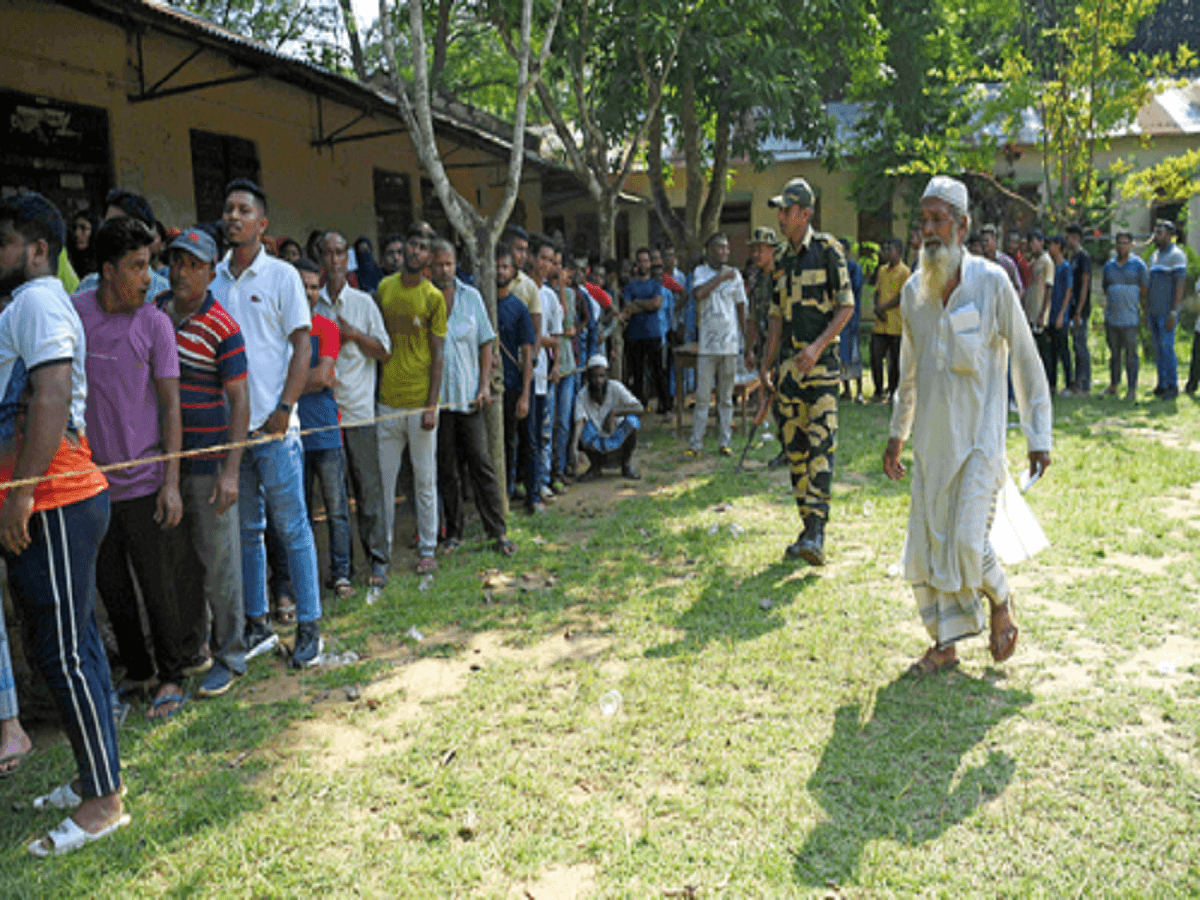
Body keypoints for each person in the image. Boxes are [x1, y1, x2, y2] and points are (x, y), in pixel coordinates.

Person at [883, 175, 1052, 675]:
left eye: (939, 220)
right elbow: (907, 374)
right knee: (927, 547)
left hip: (980, 441)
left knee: (965, 543)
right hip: (932, 445)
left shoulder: (992, 283)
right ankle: (946, 645)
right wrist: (897, 434)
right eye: (923, 221)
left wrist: (1038, 436)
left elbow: (1025, 360)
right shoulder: (914, 292)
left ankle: (1000, 599)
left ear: (962, 225)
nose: (929, 231)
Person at [0, 193, 125, 855]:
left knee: (62, 652)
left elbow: (50, 391)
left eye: (4, 242)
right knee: (76, 646)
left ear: (37, 248)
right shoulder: (29, 305)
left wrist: (20, 496)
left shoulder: (39, 300)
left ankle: (103, 801)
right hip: (49, 498)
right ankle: (94, 774)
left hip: (52, 500)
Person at [74, 217, 187, 720]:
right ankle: (138, 672)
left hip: (145, 483)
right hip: (90, 487)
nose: (149, 277)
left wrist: (172, 483)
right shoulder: (73, 316)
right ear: (106, 270)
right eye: (138, 267)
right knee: (112, 588)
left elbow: (171, 408)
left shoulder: (155, 323)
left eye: (151, 265)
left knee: (157, 586)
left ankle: (171, 675)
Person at [212, 179, 324, 669]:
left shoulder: (281, 277)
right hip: (232, 432)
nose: (233, 217)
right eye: (228, 209)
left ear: (263, 224)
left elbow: (303, 346)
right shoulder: (213, 280)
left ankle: (310, 625)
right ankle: (257, 624)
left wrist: (285, 407)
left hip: (276, 427)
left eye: (243, 210)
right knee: (248, 530)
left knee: (293, 527)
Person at [156, 226, 250, 698]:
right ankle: (195, 651)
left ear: (212, 272)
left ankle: (231, 655)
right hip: (166, 463)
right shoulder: (156, 315)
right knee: (182, 565)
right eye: (176, 261)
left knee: (221, 564)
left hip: (211, 464)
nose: (182, 271)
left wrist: (231, 471)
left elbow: (241, 402)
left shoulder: (224, 328)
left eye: (193, 264)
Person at [759, 178, 854, 565]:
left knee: (820, 447)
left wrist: (816, 349)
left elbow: (845, 308)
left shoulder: (829, 251)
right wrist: (766, 367)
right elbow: (776, 317)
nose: (780, 217)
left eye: (787, 210)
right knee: (796, 452)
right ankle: (807, 528)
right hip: (789, 374)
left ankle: (817, 530)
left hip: (823, 371)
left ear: (805, 213)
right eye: (779, 210)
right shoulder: (780, 259)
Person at [317, 231, 391, 589]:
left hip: (359, 410)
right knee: (334, 499)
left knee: (368, 490)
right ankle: (342, 569)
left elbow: (384, 350)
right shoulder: (312, 304)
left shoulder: (363, 302)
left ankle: (378, 560)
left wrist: (354, 335)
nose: (334, 260)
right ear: (321, 258)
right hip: (326, 415)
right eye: (328, 253)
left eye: (340, 252)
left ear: (348, 259)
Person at [430, 240, 513, 555]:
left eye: (449, 264)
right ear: (430, 267)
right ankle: (454, 532)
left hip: (470, 400)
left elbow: (486, 343)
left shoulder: (472, 297)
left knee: (481, 465)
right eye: (439, 264)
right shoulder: (426, 299)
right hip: (439, 403)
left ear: (455, 264)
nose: (445, 270)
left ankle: (498, 531)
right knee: (448, 470)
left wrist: (483, 386)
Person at [376, 224, 447, 571]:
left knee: (424, 480)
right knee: (385, 483)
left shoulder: (434, 297)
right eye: (412, 244)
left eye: (423, 248)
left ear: (429, 257)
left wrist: (432, 405)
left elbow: (438, 356)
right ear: (402, 247)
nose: (416, 251)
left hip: (421, 404)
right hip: (387, 402)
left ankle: (429, 549)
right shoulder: (384, 289)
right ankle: (383, 551)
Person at [292, 259, 352, 597]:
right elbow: (315, 378)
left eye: (315, 286)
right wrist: (311, 380)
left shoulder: (327, 327)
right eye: (303, 285)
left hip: (327, 431)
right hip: (292, 434)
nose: (309, 293)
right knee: (297, 513)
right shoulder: (283, 328)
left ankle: (341, 574)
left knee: (337, 510)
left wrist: (288, 385)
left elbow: (325, 376)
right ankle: (305, 580)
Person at [688, 234, 748, 457]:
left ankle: (725, 442)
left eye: (726, 248)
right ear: (709, 251)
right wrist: (721, 279)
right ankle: (696, 444)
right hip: (707, 347)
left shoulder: (736, 275)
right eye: (719, 248)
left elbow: (741, 307)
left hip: (730, 345)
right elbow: (699, 294)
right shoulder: (701, 273)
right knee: (703, 397)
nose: (724, 252)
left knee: (726, 398)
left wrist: (747, 342)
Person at [496, 245, 537, 513]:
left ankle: (533, 495)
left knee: (526, 441)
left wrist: (525, 394)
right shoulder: (482, 305)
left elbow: (527, 353)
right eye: (496, 266)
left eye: (505, 267)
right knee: (500, 445)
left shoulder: (520, 309)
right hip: (492, 388)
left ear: (514, 272)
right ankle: (503, 496)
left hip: (516, 385)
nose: (500, 271)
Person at [74, 189, 170, 301]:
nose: (110, 234)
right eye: (107, 226)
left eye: (118, 227)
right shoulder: (88, 286)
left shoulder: (162, 293)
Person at [575, 354, 643, 480]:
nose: (598, 381)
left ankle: (626, 465)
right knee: (580, 428)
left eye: (602, 376)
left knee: (633, 421)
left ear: (607, 376)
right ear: (588, 377)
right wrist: (574, 449)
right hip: (596, 437)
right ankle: (595, 467)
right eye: (594, 377)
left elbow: (639, 408)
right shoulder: (581, 395)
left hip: (616, 433)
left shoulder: (616, 387)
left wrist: (615, 412)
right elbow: (579, 421)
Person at [621, 248, 670, 415]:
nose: (643, 264)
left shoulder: (656, 284)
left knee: (658, 372)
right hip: (635, 335)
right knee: (637, 373)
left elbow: (656, 304)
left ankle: (664, 405)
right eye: (640, 260)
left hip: (653, 333)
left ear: (650, 263)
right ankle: (638, 406)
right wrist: (646, 304)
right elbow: (628, 307)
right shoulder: (630, 286)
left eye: (646, 260)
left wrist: (638, 303)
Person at [1103, 232, 1148, 400]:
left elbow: (1144, 290)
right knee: (1114, 355)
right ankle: (1114, 386)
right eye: (1119, 243)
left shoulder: (1139, 265)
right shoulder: (1109, 266)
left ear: (1131, 245)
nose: (1122, 246)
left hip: (1130, 320)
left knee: (1131, 356)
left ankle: (1131, 389)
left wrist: (1143, 313)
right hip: (1112, 319)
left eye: (1125, 243)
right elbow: (1106, 289)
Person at [1147, 220, 1189, 400]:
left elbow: (1180, 284)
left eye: (1160, 232)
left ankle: (1172, 385)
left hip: (1167, 311)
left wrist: (1174, 311)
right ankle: (1161, 383)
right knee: (1158, 348)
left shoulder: (1177, 255)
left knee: (1167, 347)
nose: (1156, 236)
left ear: (1170, 235)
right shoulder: (1154, 256)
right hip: (1154, 310)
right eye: (1156, 232)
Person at [872, 238, 909, 403]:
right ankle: (878, 391)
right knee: (875, 357)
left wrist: (883, 307)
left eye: (891, 249)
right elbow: (876, 291)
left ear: (899, 252)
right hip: (880, 324)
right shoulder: (882, 270)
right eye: (887, 249)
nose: (888, 253)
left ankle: (894, 392)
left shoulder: (905, 272)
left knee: (895, 362)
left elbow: (902, 297)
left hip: (896, 325)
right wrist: (877, 307)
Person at [1065, 224, 1093, 395]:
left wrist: (1079, 310)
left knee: (1081, 346)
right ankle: (1077, 380)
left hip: (1080, 310)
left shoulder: (1083, 257)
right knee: (1075, 346)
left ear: (1075, 237)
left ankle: (1085, 383)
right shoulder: (1072, 257)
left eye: (1069, 236)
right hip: (1072, 308)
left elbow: (1085, 284)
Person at [1045, 235, 1073, 394]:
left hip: (1060, 315)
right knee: (1052, 352)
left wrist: (1062, 314)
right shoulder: (1051, 266)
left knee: (1064, 351)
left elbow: (1068, 292)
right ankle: (1053, 384)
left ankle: (1069, 384)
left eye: (1052, 244)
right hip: (1050, 314)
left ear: (1059, 246)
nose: (1050, 248)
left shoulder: (1065, 267)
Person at [838, 238, 865, 403]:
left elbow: (852, 290)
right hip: (840, 320)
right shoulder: (838, 268)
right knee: (843, 356)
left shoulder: (855, 268)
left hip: (852, 318)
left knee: (855, 355)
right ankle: (846, 390)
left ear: (847, 251)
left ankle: (860, 391)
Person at [1023, 230, 1054, 374]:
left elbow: (1049, 288)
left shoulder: (1047, 261)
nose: (1032, 245)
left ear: (1042, 242)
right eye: (1030, 242)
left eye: (1035, 241)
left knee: (1043, 350)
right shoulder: (1031, 261)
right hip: (1029, 309)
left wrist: (1043, 313)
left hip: (1039, 311)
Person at [68, 210, 99, 279]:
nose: (76, 233)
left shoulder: (101, 264)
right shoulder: (67, 261)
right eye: (74, 228)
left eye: (83, 228)